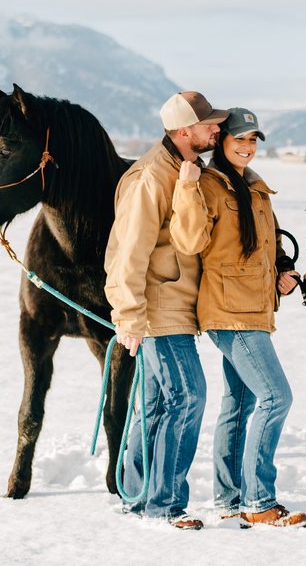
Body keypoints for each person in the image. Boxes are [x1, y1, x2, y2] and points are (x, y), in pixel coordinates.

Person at [170, 107, 306, 528]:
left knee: (242, 402)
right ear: (222, 141)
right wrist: (186, 187)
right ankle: (258, 500)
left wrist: (284, 271)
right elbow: (190, 240)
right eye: (240, 138)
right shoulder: (209, 186)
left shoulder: (256, 189)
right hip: (229, 312)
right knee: (276, 397)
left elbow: (270, 246)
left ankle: (230, 499)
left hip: (254, 307)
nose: (247, 146)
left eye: (253, 140)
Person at [104, 91, 227, 530]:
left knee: (158, 405)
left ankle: (137, 496)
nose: (216, 129)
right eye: (208, 124)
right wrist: (130, 315)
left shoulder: (184, 169)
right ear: (183, 131)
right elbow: (128, 253)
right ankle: (166, 504)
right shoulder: (151, 177)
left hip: (174, 307)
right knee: (188, 396)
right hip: (159, 311)